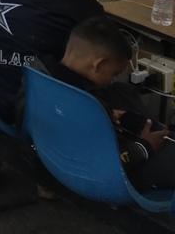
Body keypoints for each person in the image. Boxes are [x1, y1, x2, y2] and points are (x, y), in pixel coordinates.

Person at [34, 17, 173, 190]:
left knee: (121, 90)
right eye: (114, 73)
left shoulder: (39, 73)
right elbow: (105, 165)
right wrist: (144, 147)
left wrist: (104, 115)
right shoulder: (88, 107)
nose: (111, 80)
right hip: (93, 175)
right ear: (98, 64)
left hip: (47, 154)